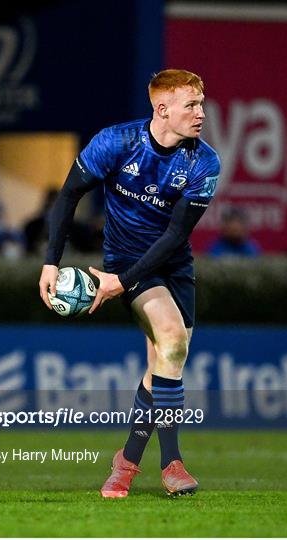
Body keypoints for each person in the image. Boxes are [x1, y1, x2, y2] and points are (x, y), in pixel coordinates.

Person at [38, 69, 220, 497]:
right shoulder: (116, 142)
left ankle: (126, 462)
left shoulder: (204, 162)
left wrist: (123, 282)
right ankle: (172, 464)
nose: (200, 113)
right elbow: (68, 196)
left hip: (172, 267)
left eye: (201, 103)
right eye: (191, 105)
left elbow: (176, 236)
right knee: (172, 341)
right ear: (162, 109)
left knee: (165, 363)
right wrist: (51, 263)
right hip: (125, 261)